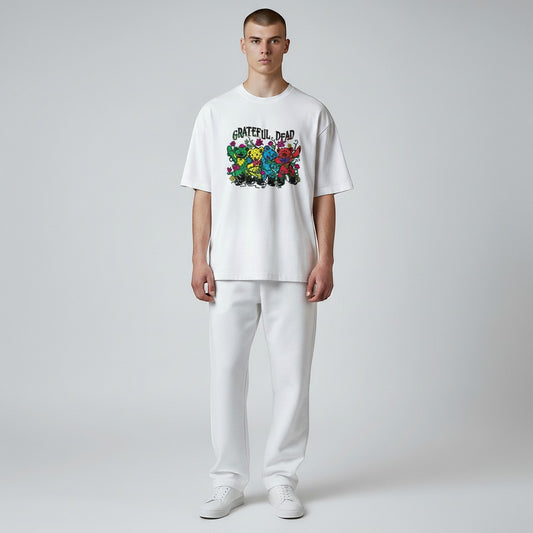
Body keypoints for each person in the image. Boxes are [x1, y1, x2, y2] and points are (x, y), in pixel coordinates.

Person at [179, 8, 354, 520]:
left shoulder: (312, 113)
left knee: (292, 379)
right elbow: (203, 192)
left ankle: (281, 478)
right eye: (255, 40)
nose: (264, 49)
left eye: (274, 40)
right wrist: (199, 258)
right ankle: (228, 481)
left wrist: (325, 259)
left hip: (294, 266)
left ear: (286, 45)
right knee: (226, 375)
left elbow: (325, 194)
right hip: (230, 266)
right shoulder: (215, 112)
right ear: (242, 45)